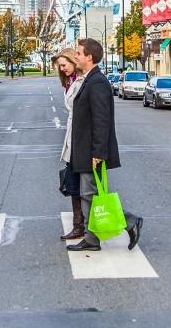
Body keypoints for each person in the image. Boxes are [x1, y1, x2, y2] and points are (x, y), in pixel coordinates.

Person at [67, 38, 143, 252]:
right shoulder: (91, 79)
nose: (76, 57)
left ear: (89, 57)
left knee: (89, 194)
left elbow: (102, 120)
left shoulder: (98, 82)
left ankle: (127, 222)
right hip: (86, 149)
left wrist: (98, 152)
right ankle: (95, 237)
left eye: (79, 54)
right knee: (90, 194)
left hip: (92, 150)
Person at [52, 48, 85, 240]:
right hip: (73, 139)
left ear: (74, 61)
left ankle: (127, 221)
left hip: (79, 141)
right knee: (75, 185)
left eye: (64, 65)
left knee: (83, 187)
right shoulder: (71, 81)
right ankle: (79, 225)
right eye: (60, 66)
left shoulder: (81, 82)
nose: (62, 69)